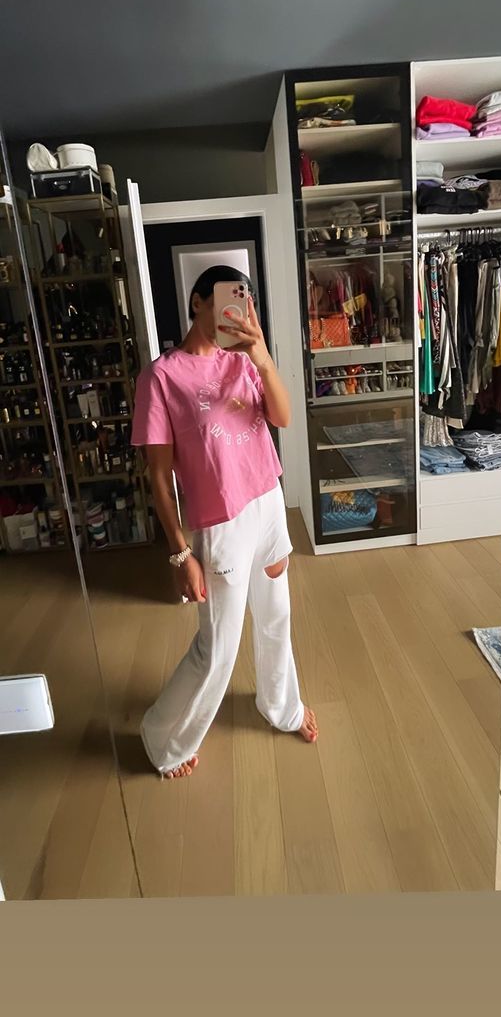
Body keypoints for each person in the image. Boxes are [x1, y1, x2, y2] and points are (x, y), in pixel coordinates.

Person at [131, 265, 317, 779]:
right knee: (217, 650)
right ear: (198, 302)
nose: (236, 312)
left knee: (277, 618)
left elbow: (282, 418)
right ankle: (162, 738)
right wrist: (180, 553)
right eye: (226, 300)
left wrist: (261, 354)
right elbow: (158, 474)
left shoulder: (244, 361)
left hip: (267, 503)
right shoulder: (161, 376)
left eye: (244, 302)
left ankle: (281, 707)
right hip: (221, 523)